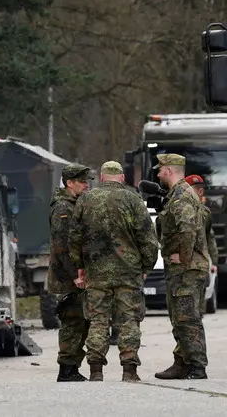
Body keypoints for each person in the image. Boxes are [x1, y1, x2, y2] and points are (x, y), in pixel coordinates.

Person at [70, 160, 159, 382]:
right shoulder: (133, 200)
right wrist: (146, 267)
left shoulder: (85, 201)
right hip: (128, 272)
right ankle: (129, 370)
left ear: (101, 177)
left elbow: (75, 237)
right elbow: (148, 239)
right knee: (129, 320)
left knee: (98, 320)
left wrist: (80, 266)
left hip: (97, 273)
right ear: (121, 177)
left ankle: (96, 370)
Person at [153, 154, 210, 380]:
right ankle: (182, 363)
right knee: (180, 319)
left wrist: (184, 258)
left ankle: (196, 367)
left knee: (187, 319)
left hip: (187, 270)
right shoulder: (176, 195)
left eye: (160, 170)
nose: (158, 174)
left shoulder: (181, 197)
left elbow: (188, 229)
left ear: (169, 171)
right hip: (180, 270)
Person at [47, 162, 92, 381]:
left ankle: (72, 366)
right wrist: (75, 274)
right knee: (73, 321)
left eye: (87, 181)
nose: (86, 186)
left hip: (76, 275)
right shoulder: (63, 208)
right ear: (69, 183)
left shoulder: (74, 204)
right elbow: (62, 246)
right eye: (82, 182)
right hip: (68, 277)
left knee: (80, 321)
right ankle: (66, 368)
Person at [186, 175, 219, 272]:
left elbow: (210, 238)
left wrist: (214, 262)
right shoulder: (178, 210)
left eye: (188, 191)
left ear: (200, 192)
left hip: (198, 267)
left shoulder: (204, 213)